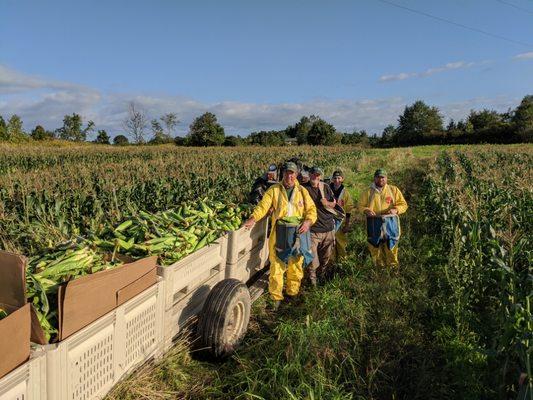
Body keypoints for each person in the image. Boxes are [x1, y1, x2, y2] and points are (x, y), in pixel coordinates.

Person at [244, 162, 317, 309]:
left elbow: (311, 209)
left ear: (296, 175)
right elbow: (263, 206)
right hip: (279, 233)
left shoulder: (302, 191)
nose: (289, 176)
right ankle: (276, 298)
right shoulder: (274, 190)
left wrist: (308, 222)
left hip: (297, 233)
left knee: (295, 266)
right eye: (287, 173)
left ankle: (292, 293)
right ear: (283, 174)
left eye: (292, 173)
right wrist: (253, 218)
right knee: (277, 266)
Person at [357, 169, 408, 268]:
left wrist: (396, 210)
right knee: (375, 248)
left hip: (391, 223)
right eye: (378, 177)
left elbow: (403, 204)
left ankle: (393, 271)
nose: (381, 179)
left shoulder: (394, 190)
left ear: (386, 178)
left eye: (383, 177)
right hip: (373, 223)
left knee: (392, 248)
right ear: (374, 178)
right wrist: (366, 210)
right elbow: (360, 205)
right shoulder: (367, 192)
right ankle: (379, 271)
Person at [302, 166, 337, 286]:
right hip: (312, 231)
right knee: (312, 260)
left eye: (318, 175)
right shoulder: (303, 189)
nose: (315, 177)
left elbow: (334, 203)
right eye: (313, 174)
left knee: (325, 259)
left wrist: (327, 203)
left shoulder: (325, 187)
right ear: (309, 175)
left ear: (320, 176)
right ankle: (313, 285)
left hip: (328, 229)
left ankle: (322, 277)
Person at [329, 170, 354, 260]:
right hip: (328, 221)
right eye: (335, 178)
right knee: (329, 242)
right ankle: (330, 263)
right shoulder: (327, 189)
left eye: (339, 178)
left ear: (342, 179)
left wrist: (347, 224)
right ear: (332, 179)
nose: (337, 180)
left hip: (340, 221)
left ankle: (342, 262)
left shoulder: (345, 193)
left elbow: (349, 210)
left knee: (341, 242)